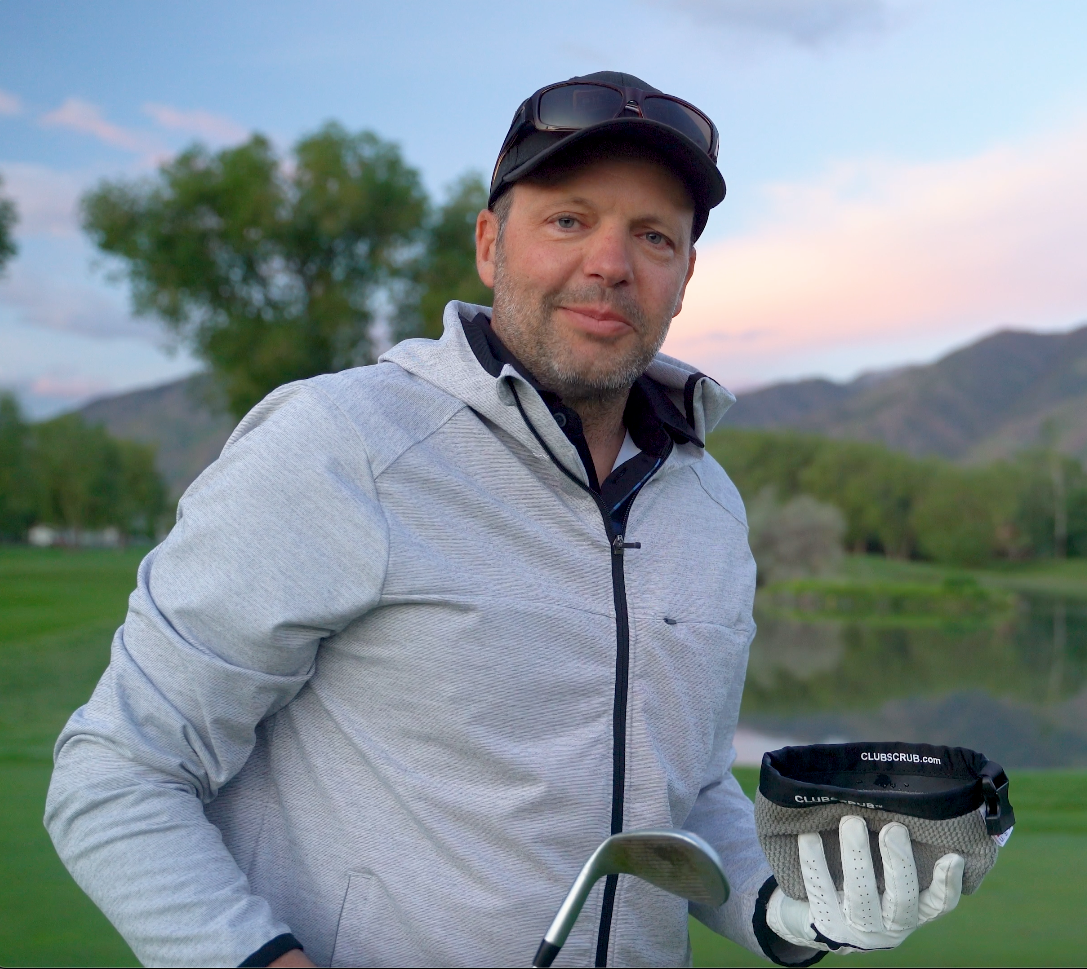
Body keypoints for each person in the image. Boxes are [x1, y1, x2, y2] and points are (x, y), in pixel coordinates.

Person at [46, 72, 965, 968]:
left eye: (653, 236)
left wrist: (785, 911)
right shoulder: (342, 443)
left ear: (685, 276)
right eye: (568, 220)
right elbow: (118, 773)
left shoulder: (710, 504)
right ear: (490, 244)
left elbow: (680, 791)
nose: (610, 264)